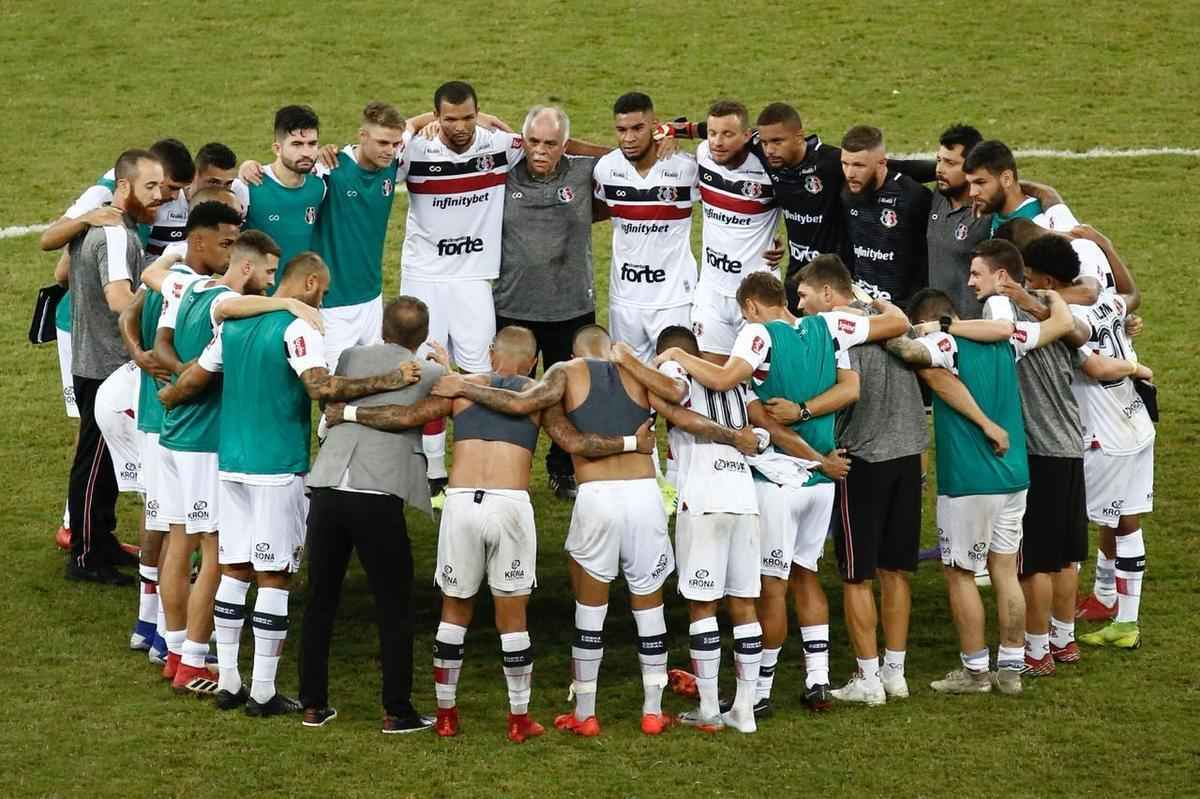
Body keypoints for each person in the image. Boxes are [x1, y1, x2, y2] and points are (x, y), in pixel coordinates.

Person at [330, 326, 658, 740]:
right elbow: (577, 442)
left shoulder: (462, 390)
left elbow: (405, 417)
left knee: (454, 612)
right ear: (535, 362)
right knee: (513, 618)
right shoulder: (540, 396)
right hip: (510, 506)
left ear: (490, 354)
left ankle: (446, 716)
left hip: (461, 502)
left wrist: (347, 413)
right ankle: (518, 719)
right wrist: (633, 443)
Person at [430, 324, 745, 736]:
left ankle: (585, 714)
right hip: (644, 496)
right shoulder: (638, 371)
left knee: (589, 612)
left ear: (576, 351)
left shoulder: (565, 371)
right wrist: (733, 436)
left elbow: (521, 403)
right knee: (649, 609)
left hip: (596, 497)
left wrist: (459, 382)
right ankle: (652, 712)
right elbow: (679, 402)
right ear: (610, 346)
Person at [161, 253, 420, 715]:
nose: (325, 298)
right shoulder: (297, 328)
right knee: (274, 574)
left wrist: (165, 396)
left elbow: (194, 379)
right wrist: (390, 378)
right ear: (312, 283)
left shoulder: (234, 326)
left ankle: (229, 683)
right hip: (276, 466)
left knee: (234, 569)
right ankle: (262, 691)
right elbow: (320, 388)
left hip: (231, 464)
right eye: (323, 290)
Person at [656, 271, 908, 711]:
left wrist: (678, 354)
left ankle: (760, 692)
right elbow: (894, 329)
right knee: (807, 578)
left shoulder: (756, 333)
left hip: (779, 479)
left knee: (771, 588)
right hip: (823, 481)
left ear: (752, 306)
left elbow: (724, 380)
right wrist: (873, 302)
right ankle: (818, 680)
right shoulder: (829, 326)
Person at [885, 286, 1075, 695]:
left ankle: (974, 673)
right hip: (1014, 474)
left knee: (960, 573)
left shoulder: (941, 342)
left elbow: (912, 356)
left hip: (969, 480)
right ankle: (1010, 669)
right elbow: (1060, 323)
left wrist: (885, 318)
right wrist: (1049, 297)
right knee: (1005, 570)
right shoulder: (1005, 339)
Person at [779, 256, 929, 705]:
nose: (800, 305)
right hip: (908, 455)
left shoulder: (829, 330)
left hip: (861, 459)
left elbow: (843, 390)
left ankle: (867, 679)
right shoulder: (888, 322)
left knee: (856, 575)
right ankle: (895, 673)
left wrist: (801, 411)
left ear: (829, 294)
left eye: (803, 295)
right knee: (896, 570)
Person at [298, 297, 444, 734]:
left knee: (320, 599)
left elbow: (334, 400)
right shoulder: (430, 373)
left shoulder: (351, 356)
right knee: (394, 605)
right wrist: (445, 364)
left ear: (382, 327)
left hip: (327, 487)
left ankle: (312, 704)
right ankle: (397, 711)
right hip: (377, 493)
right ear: (421, 335)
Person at [1020, 237, 1154, 649]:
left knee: (1071, 531)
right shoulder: (1104, 299)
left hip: (1101, 434)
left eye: (1028, 278)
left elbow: (1069, 330)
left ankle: (1060, 634)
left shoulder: (1074, 313)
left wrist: (1028, 301)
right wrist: (1108, 246)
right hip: (1136, 420)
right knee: (1126, 521)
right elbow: (1130, 294)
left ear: (1044, 278)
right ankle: (1123, 620)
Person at [967, 239, 1093, 673]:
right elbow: (1082, 340)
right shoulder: (1050, 309)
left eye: (977, 274)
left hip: (1037, 448)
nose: (970, 282)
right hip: (1069, 443)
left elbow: (1001, 346)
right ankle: (1064, 640)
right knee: (1064, 556)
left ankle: (1037, 650)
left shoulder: (1004, 314)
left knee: (1034, 561)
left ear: (1002, 277)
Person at [396, 81, 523, 492]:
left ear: (479, 113)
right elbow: (379, 146)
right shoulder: (415, 149)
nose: (460, 127)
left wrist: (488, 122)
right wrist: (417, 123)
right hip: (424, 276)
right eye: (449, 119)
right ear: (436, 118)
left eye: (468, 117)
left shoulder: (498, 145)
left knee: (479, 372)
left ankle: (478, 456)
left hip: (473, 277)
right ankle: (433, 470)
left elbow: (546, 141)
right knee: (427, 371)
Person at [63, 148, 163, 585]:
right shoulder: (117, 234)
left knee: (101, 463)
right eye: (151, 187)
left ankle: (99, 541)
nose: (159, 196)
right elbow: (119, 300)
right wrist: (163, 292)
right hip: (107, 364)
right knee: (94, 461)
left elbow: (61, 270)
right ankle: (85, 556)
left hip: (93, 357)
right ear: (124, 186)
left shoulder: (104, 223)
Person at [492, 105, 602, 500]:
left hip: (569, 306)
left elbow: (622, 157)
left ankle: (562, 469)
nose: (540, 151)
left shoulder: (583, 171)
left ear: (565, 145)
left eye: (551, 143)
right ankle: (504, 464)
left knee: (569, 394)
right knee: (509, 392)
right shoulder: (500, 174)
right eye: (533, 141)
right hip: (512, 306)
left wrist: (575, 147)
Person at [592, 92, 698, 363]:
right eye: (621, 130)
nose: (629, 138)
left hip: (674, 299)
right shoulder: (606, 169)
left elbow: (738, 141)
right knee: (630, 384)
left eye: (638, 128)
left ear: (655, 126)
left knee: (679, 381)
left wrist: (679, 132)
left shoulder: (685, 169)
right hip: (625, 301)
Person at [689, 100, 781, 361]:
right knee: (713, 376)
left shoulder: (768, 169)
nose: (717, 142)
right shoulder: (703, 155)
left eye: (728, 134)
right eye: (712, 133)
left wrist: (786, 244)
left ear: (746, 135)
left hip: (759, 293)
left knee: (763, 380)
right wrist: (673, 134)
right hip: (711, 291)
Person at [839, 125, 932, 309]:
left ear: (882, 163)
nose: (850, 173)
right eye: (845, 163)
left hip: (902, 309)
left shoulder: (911, 197)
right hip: (861, 303)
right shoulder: (848, 192)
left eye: (859, 165)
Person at [241, 105, 327, 285]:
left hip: (299, 300)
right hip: (257, 302)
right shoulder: (248, 185)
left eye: (312, 144)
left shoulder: (319, 186)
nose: (306, 152)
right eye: (296, 144)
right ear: (277, 148)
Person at [927, 124, 991, 318]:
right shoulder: (939, 195)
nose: (939, 169)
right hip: (938, 325)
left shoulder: (988, 212)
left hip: (974, 327)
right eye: (938, 160)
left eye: (950, 163)